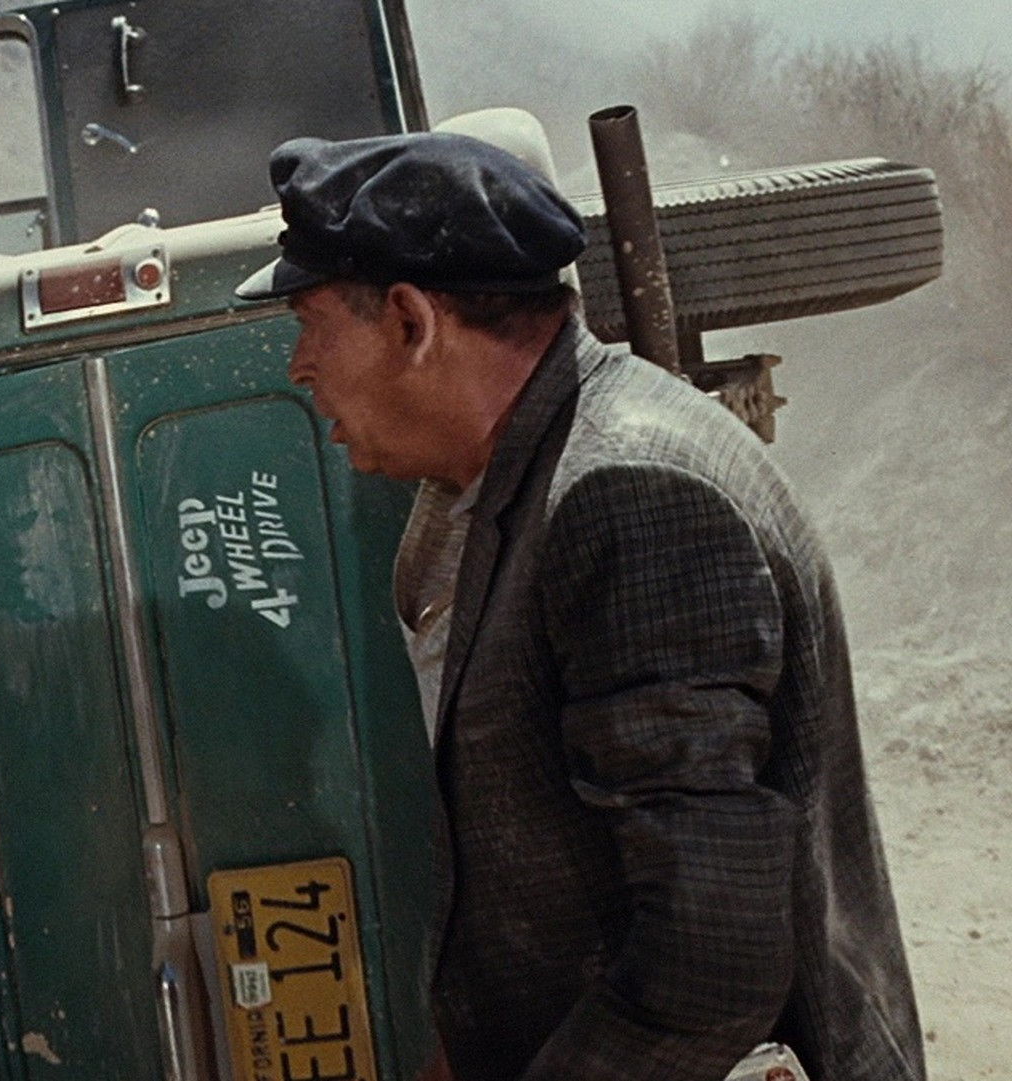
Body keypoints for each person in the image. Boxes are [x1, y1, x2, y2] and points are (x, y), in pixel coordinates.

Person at [235, 132, 925, 1081]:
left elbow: (709, 961)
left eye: (310, 323)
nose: (299, 366)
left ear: (409, 320)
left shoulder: (628, 492)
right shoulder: (518, 477)